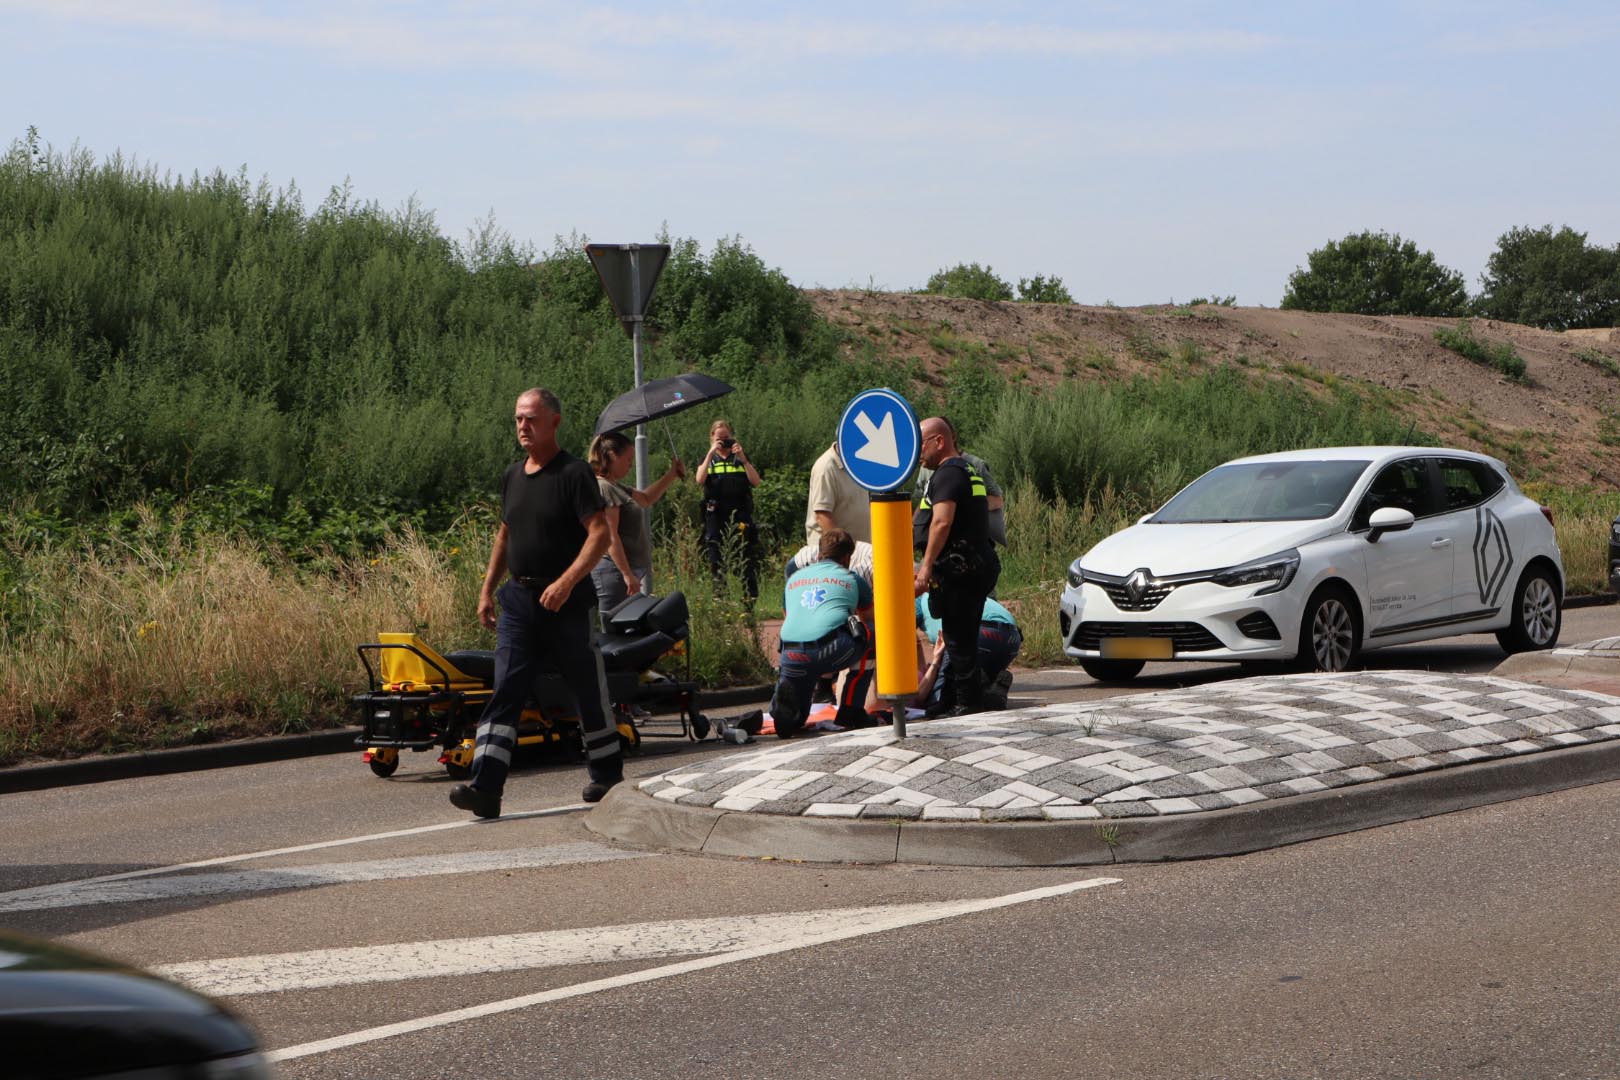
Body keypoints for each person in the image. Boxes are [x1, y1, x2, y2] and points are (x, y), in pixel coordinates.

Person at [449, 388, 622, 819]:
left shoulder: (574, 474)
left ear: (554, 422)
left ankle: (607, 775)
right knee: (506, 688)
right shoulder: (512, 476)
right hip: (520, 602)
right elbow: (505, 535)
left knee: (586, 688)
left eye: (530, 419)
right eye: (518, 419)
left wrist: (566, 582)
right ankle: (486, 787)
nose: (522, 427)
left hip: (567, 603)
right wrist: (487, 589)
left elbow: (599, 534)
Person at [913, 416, 1000, 716]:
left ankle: (967, 704)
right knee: (958, 635)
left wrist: (925, 568)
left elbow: (942, 521)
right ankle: (951, 698)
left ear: (939, 441)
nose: (917, 452)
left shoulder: (948, 473)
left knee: (958, 637)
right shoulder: (966, 470)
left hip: (961, 569)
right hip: (974, 564)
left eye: (921, 444)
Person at [770, 529, 875, 738]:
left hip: (790, 652)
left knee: (798, 718)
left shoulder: (794, 578)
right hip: (828, 649)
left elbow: (788, 615)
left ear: (820, 553)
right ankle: (851, 711)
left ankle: (787, 709)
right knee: (870, 635)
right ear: (847, 557)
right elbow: (870, 614)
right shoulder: (851, 578)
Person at [587, 431, 684, 616]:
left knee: (625, 628)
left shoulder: (616, 487)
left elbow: (646, 499)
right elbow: (610, 536)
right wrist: (626, 574)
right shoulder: (605, 487)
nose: (631, 465)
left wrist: (672, 474)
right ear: (613, 456)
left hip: (622, 574)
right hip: (614, 574)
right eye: (628, 459)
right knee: (616, 630)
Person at [914, 593, 1022, 714]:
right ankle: (992, 686)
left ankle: (978, 692)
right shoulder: (953, 591)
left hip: (980, 632)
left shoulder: (917, 603)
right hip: (1012, 638)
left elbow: (908, 640)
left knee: (937, 700)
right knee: (971, 676)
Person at [694, 419, 761, 600]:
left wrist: (744, 459)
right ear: (712, 438)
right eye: (720, 438)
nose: (724, 442)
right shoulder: (709, 459)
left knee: (744, 560)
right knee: (717, 560)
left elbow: (756, 481)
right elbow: (700, 479)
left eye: (727, 437)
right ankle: (721, 599)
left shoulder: (739, 458)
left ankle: (749, 601)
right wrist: (710, 453)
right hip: (716, 516)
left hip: (739, 514)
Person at [914, 420, 1007, 546]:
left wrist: (962, 508)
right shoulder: (926, 468)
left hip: (969, 546)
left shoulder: (975, 465)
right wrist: (912, 526)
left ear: (949, 438)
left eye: (922, 443)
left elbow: (997, 500)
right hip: (939, 544)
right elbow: (924, 501)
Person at [805, 440, 872, 546]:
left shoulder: (858, 463)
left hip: (859, 552)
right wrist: (843, 550)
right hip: (834, 553)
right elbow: (822, 516)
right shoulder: (825, 468)